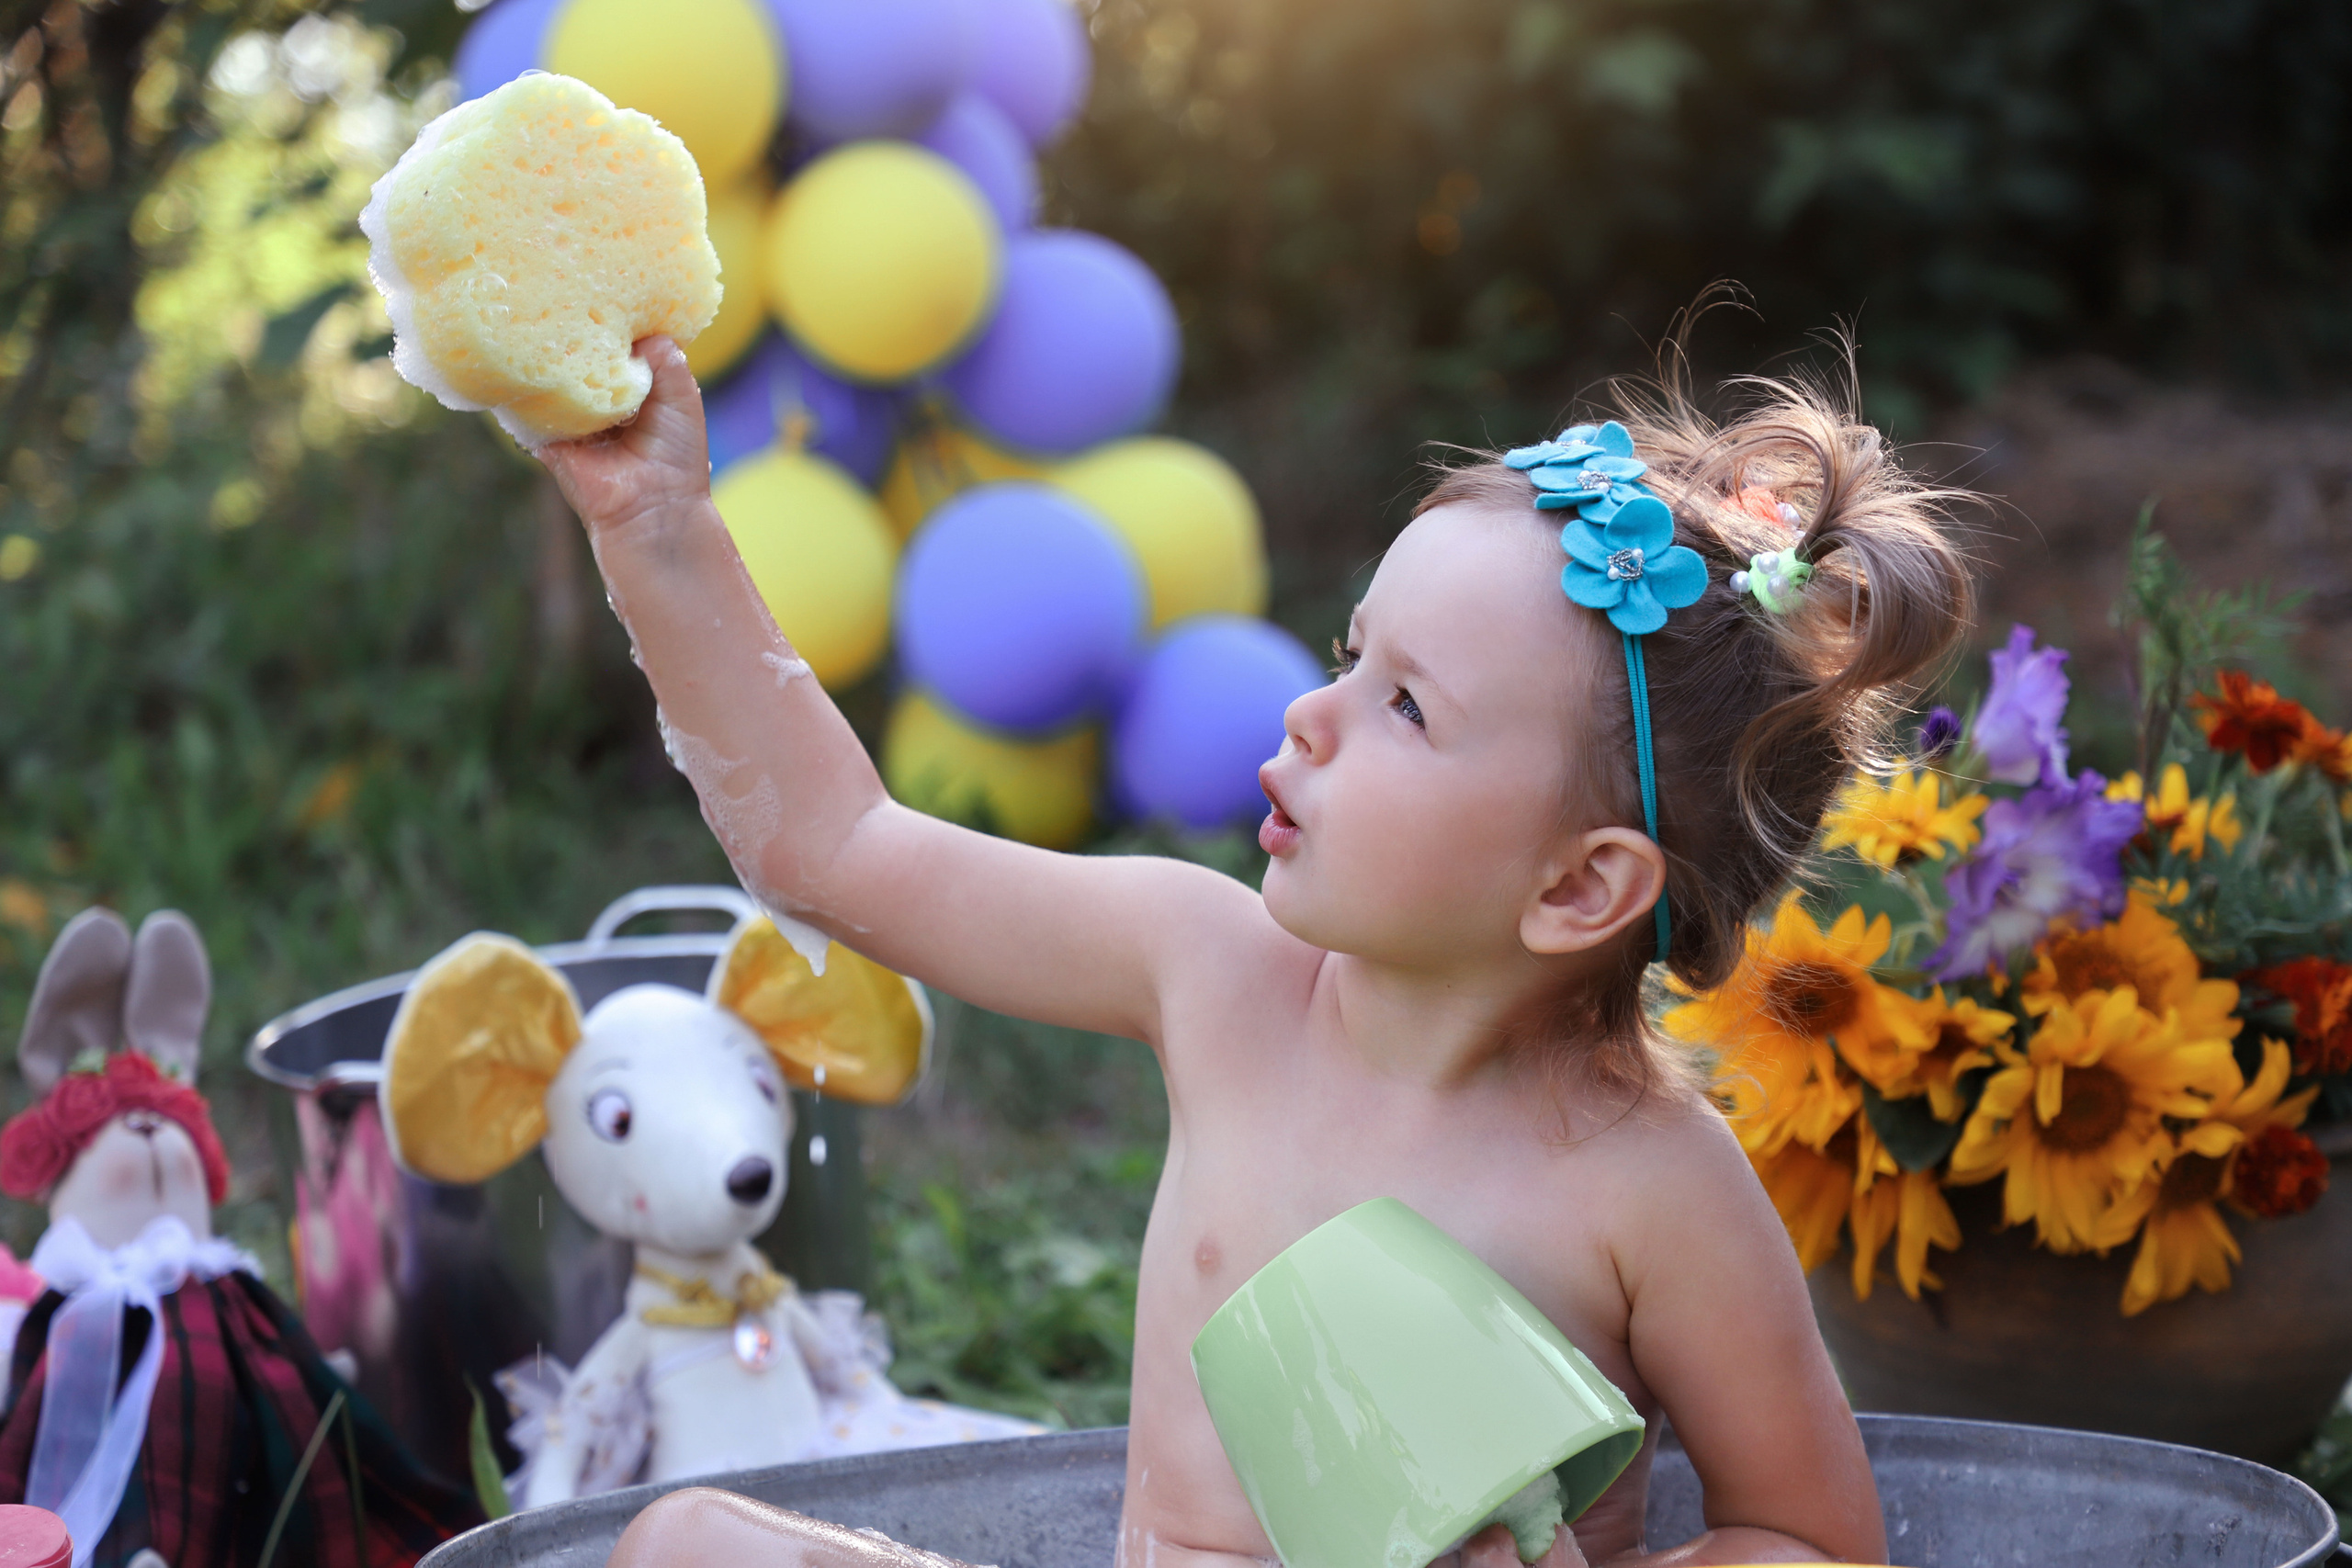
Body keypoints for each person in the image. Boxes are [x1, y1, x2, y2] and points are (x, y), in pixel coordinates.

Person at [539, 333, 1973, 1567]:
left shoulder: (1653, 1189)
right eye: (1351, 653)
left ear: (1582, 885)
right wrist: (657, 530)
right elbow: (838, 852)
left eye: (1405, 706)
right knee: (684, 1545)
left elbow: (1813, 1539)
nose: (1312, 714)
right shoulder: (1213, 974)